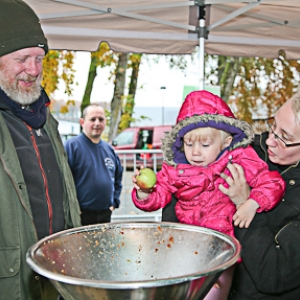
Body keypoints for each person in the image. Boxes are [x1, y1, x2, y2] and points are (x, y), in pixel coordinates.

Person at [132, 90, 285, 300]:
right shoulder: (176, 168)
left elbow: (272, 182)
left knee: (211, 294)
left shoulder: (239, 160)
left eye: (205, 145)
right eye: (189, 144)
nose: (195, 152)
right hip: (185, 243)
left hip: (220, 248)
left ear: (225, 141)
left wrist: (253, 202)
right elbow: (159, 195)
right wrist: (144, 192)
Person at [0, 1, 82, 299]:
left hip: (56, 274)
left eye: (39, 58)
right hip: (11, 280)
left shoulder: (47, 121)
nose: (33, 70)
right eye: (22, 59)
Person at [219, 90, 300, 299]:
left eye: (285, 138)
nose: (270, 141)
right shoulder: (248, 149)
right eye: (273, 127)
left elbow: (274, 274)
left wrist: (246, 203)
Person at [64, 103, 123, 225]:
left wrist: (114, 203)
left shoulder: (109, 150)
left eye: (101, 119)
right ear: (82, 122)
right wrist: (73, 208)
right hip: (81, 215)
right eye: (92, 119)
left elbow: (118, 179)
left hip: (105, 214)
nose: (97, 123)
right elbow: (62, 181)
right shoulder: (71, 146)